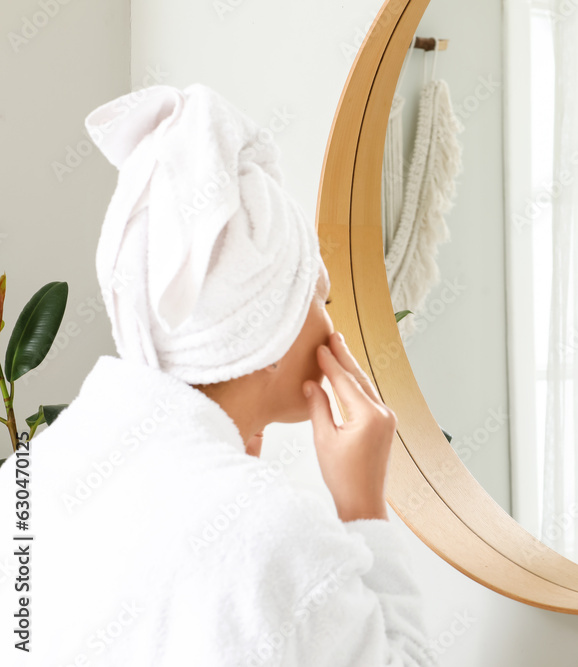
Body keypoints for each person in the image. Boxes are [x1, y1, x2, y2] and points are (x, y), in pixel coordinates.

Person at [0, 84, 437, 665]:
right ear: (267, 328)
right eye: (318, 296)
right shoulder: (275, 534)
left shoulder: (24, 486)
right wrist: (362, 506)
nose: (330, 324)